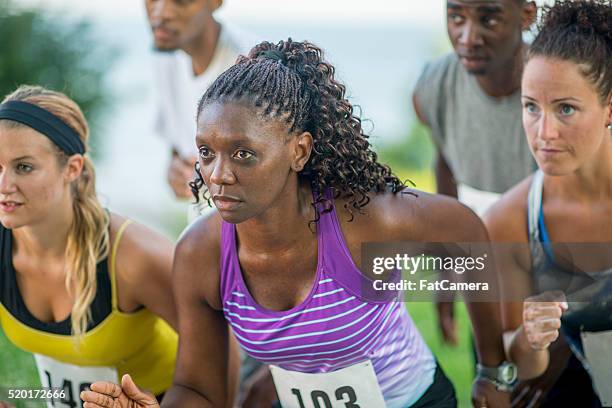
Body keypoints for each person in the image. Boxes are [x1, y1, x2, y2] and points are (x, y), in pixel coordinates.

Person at [82, 39, 511, 408]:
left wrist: (491, 367)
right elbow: (200, 389)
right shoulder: (201, 253)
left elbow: (466, 232)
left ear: (299, 151)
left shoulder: (366, 222)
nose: (217, 175)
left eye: (243, 154)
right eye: (207, 152)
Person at [0, 85, 178, 406]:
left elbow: (221, 354)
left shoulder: (135, 257)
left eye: (23, 167)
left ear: (72, 168)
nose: (4, 186)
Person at [484, 1, 612, 406]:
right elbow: (521, 365)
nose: (544, 133)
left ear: (609, 109)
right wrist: (531, 337)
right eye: (531, 107)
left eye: (566, 109)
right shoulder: (509, 221)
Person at [412, 0, 539, 378]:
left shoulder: (556, 82)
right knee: (492, 375)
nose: (468, 37)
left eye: (489, 18)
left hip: (557, 266)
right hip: (484, 276)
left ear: (526, 14)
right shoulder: (435, 86)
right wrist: (446, 274)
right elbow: (446, 166)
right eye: (456, 17)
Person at [146, 0, 255, 209]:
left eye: (180, 1)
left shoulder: (250, 70)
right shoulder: (166, 57)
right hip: (202, 227)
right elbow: (178, 146)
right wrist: (175, 172)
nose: (160, 13)